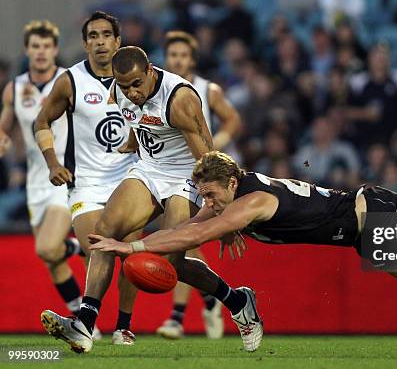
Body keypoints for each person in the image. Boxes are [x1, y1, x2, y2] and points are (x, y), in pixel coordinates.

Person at [91, 150, 397, 354]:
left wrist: (128, 244)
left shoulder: (252, 200)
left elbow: (196, 236)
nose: (208, 203)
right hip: (359, 234)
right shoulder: (234, 197)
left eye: (212, 193)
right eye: (204, 196)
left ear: (228, 181)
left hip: (370, 211)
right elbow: (185, 230)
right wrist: (126, 245)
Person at [40, 46, 262, 354]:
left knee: (171, 261)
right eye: (124, 85)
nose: (130, 92)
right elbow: (139, 124)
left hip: (189, 175)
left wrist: (225, 217)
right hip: (149, 169)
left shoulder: (180, 100)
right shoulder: (119, 90)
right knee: (102, 235)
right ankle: (84, 325)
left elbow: (211, 162)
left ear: (150, 71)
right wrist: (131, 145)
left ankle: (238, 300)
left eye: (136, 84)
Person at [34, 11, 140, 346]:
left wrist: (138, 140)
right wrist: (52, 163)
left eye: (106, 35)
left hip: (131, 181)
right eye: (93, 36)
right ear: (85, 43)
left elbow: (155, 118)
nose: (100, 41)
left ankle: (123, 326)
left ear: (118, 41)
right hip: (87, 184)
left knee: (132, 259)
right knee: (99, 248)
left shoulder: (138, 76)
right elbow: (41, 122)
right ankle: (85, 324)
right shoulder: (70, 80)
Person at [0, 20, 88, 333]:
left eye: (46, 46)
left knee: (48, 247)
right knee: (52, 260)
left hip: (64, 176)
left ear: (55, 50)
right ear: (27, 50)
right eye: (35, 46)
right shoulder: (16, 87)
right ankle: (83, 320)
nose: (40, 52)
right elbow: (5, 124)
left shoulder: (68, 82)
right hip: (34, 183)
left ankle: (82, 248)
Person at [157, 30, 242, 340]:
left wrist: (217, 143)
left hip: (199, 173)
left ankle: (177, 318)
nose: (177, 59)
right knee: (184, 241)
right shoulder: (159, 90)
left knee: (181, 240)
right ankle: (211, 299)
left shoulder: (207, 90)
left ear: (192, 59)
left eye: (182, 54)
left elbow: (233, 118)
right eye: (172, 55)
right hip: (165, 172)